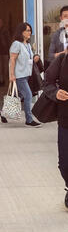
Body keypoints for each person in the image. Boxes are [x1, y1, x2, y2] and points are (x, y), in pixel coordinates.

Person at [3, 22, 41, 127]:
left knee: (17, 96)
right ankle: (29, 120)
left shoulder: (27, 44)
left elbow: (27, 59)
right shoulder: (16, 44)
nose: (30, 32)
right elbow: (12, 60)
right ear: (21, 32)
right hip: (19, 75)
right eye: (27, 30)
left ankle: (3, 113)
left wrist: (34, 58)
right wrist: (11, 75)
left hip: (26, 75)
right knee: (28, 95)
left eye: (30, 30)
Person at [44, 53, 68, 208]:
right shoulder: (62, 60)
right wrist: (55, 92)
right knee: (65, 163)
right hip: (66, 119)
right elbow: (47, 83)